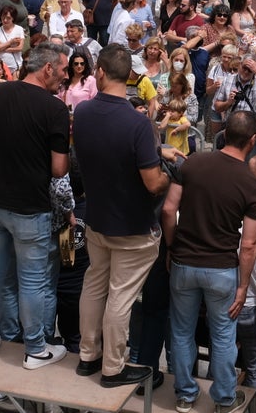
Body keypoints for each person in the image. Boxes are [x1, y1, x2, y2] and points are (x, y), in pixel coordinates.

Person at [0, 43, 71, 368]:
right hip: (30, 209)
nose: (64, 77)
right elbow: (59, 169)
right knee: (33, 281)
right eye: (62, 70)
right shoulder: (56, 109)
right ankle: (34, 349)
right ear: (47, 68)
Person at [74, 44, 169, 388]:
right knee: (120, 296)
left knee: (95, 284)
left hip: (98, 218)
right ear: (130, 76)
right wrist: (167, 173)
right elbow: (152, 181)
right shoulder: (137, 123)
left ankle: (88, 355)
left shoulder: (83, 112)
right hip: (132, 226)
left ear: (99, 71)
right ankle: (113, 367)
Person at [162, 111, 256, 413]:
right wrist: (244, 286)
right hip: (222, 269)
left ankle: (185, 394)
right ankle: (223, 398)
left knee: (181, 331)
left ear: (224, 135)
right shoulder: (251, 183)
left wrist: (171, 247)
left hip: (183, 262)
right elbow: (248, 244)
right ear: (253, 141)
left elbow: (169, 210)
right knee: (223, 336)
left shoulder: (193, 163)